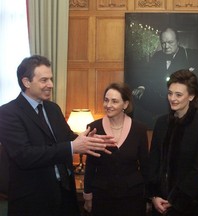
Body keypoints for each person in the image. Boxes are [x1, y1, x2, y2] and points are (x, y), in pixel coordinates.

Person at [0, 55, 116, 216]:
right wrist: (72, 147)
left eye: (51, 79)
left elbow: (66, 136)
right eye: (44, 80)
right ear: (26, 82)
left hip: (64, 194)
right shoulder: (8, 113)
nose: (51, 85)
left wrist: (88, 141)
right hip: (33, 201)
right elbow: (24, 155)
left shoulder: (53, 108)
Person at [147, 69, 198, 215]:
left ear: (191, 96)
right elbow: (153, 162)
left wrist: (175, 200)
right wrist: (154, 196)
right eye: (170, 93)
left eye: (178, 94)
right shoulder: (161, 123)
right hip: (160, 202)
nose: (173, 98)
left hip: (190, 205)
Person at [83, 82, 149, 216]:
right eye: (106, 100)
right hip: (102, 197)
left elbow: (145, 166)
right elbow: (90, 165)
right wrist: (87, 195)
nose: (108, 105)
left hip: (133, 198)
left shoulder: (139, 129)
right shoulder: (94, 128)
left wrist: (148, 196)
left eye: (114, 101)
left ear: (125, 104)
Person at [131, 27, 198, 129]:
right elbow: (148, 75)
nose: (166, 46)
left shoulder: (191, 56)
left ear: (178, 41)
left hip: (181, 108)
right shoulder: (157, 56)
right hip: (158, 105)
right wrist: (142, 87)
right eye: (163, 43)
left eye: (170, 42)